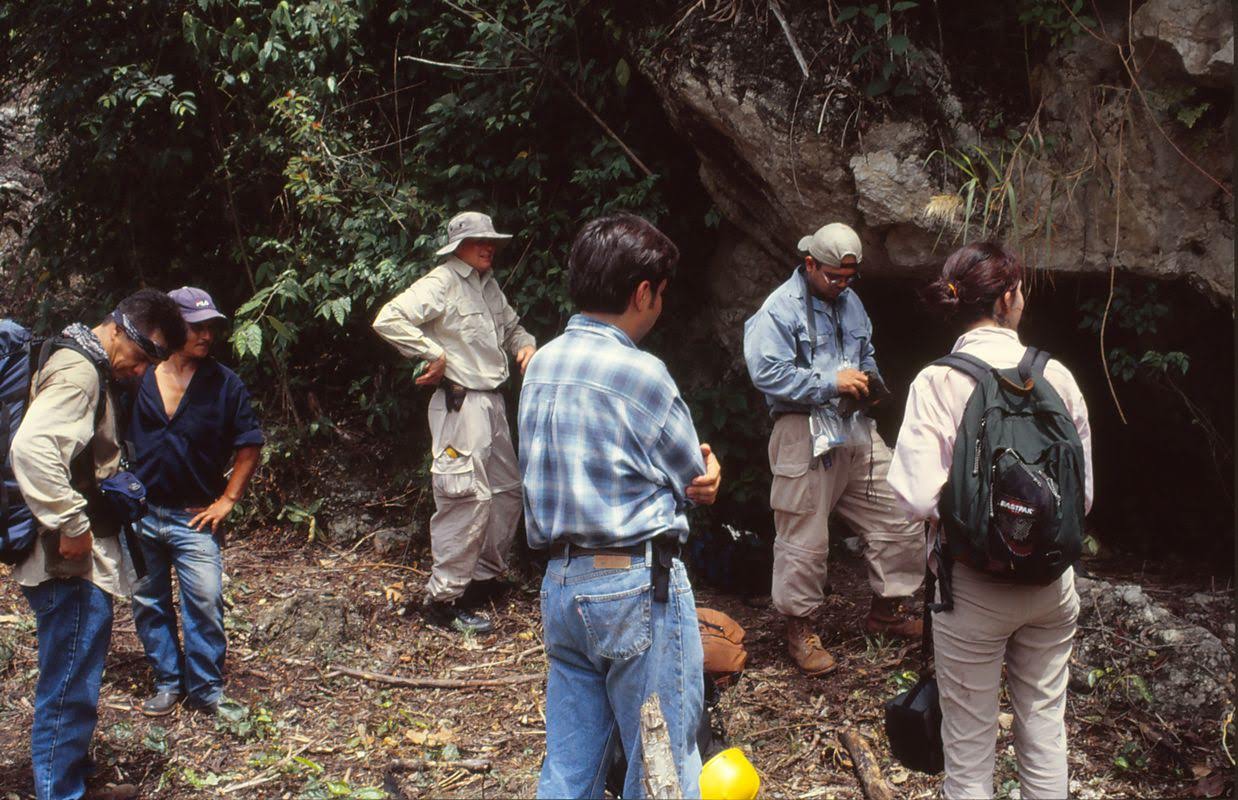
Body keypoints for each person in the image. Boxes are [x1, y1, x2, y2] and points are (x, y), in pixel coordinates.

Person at [519, 213, 722, 798]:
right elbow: (690, 474)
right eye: (660, 293)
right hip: (634, 583)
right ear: (643, 293)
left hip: (561, 582)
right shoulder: (643, 374)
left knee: (569, 765)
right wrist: (711, 474)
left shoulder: (542, 367)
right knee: (657, 761)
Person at [887, 242, 1093, 799]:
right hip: (1052, 588)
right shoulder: (1060, 378)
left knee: (970, 750)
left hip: (971, 589)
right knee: (1045, 729)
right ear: (1008, 298)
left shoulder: (937, 382)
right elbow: (1083, 495)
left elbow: (913, 492)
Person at [10, 289, 186, 800]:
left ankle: (72, 778)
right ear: (121, 329)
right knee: (68, 682)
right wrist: (71, 524)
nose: (143, 370)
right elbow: (32, 448)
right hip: (65, 561)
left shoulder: (77, 356)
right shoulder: (81, 373)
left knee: (75, 673)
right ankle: (59, 792)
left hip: (70, 555)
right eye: (146, 355)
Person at [742, 222, 924, 677]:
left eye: (848, 278)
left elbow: (865, 353)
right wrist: (830, 381)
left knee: (901, 507)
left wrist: (869, 380)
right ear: (809, 265)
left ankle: (889, 611)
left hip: (854, 425)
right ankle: (799, 629)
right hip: (802, 429)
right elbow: (766, 373)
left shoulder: (851, 302)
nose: (841, 285)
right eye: (832, 277)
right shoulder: (778, 309)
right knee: (804, 537)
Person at [373, 211, 536, 634]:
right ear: (458, 246)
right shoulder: (442, 281)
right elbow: (389, 318)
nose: (489, 247)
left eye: (492, 240)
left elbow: (513, 327)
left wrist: (527, 347)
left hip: (493, 404)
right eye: (480, 241)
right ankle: (442, 600)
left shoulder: (488, 285)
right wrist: (432, 353)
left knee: (505, 493)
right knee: (465, 497)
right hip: (460, 405)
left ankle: (480, 583)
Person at [127, 287, 264, 717]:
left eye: (211, 327)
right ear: (170, 328)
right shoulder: (139, 375)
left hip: (195, 516)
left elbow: (249, 445)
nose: (206, 336)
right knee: (148, 601)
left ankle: (205, 688)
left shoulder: (224, 383)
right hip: (141, 511)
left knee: (204, 600)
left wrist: (227, 499)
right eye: (195, 327)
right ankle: (168, 680)